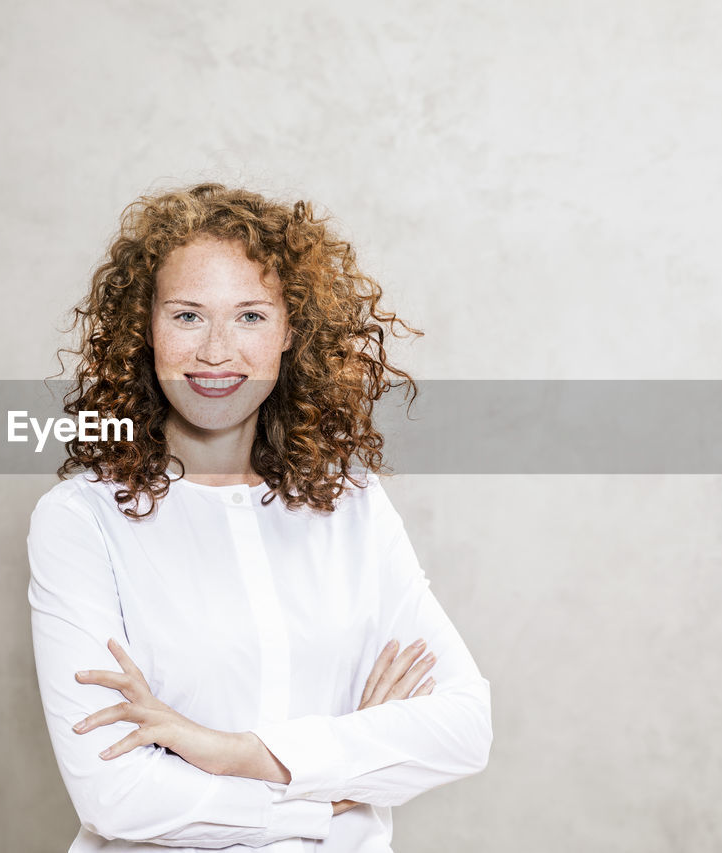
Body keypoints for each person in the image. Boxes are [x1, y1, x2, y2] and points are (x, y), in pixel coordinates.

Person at [27, 182, 492, 852]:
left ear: (289, 332)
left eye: (250, 316)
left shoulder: (352, 505)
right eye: (188, 315)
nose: (217, 352)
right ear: (144, 329)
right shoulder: (80, 521)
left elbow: (463, 726)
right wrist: (333, 786)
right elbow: (117, 794)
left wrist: (234, 752)